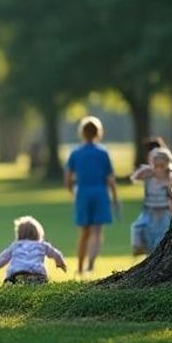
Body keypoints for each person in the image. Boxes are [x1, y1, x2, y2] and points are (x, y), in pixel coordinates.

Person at [65, 116, 121, 275]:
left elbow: (68, 177)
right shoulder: (103, 152)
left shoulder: (75, 153)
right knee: (97, 231)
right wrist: (115, 197)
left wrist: (71, 190)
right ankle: (91, 264)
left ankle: (81, 267)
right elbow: (110, 178)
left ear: (81, 133)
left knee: (84, 232)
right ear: (98, 133)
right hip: (100, 192)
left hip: (83, 192)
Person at [0, 216, 67, 285]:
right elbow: (56, 254)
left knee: (10, 282)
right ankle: (33, 281)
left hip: (16, 274)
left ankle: (13, 283)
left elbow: (1, 260)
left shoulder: (15, 246)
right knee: (40, 281)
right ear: (38, 233)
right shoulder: (42, 245)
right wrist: (60, 263)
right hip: (37, 274)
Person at [130, 147, 172, 255]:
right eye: (156, 166)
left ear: (167, 166)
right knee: (137, 228)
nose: (158, 169)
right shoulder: (149, 177)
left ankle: (154, 254)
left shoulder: (169, 178)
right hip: (149, 211)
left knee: (159, 236)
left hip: (163, 212)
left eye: (162, 166)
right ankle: (138, 247)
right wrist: (147, 169)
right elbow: (135, 177)